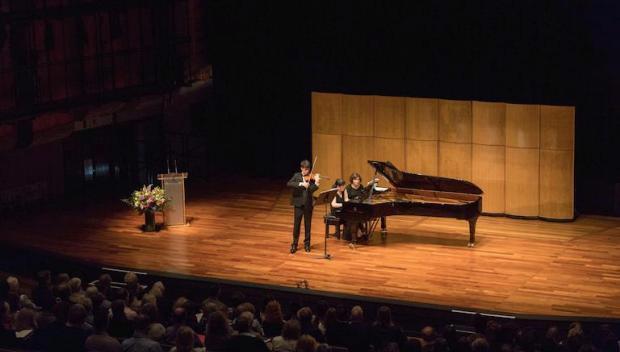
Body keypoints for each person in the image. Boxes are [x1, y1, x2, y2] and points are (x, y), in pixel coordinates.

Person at [286, 160, 320, 253]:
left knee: (307, 225)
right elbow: (289, 183)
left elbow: (311, 190)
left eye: (307, 170)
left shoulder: (311, 178)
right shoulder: (297, 176)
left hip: (308, 205)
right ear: (301, 168)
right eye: (304, 169)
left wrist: (316, 183)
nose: (306, 171)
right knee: (297, 225)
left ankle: (307, 244)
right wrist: (301, 184)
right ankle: (294, 244)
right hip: (298, 205)